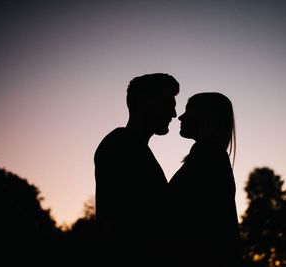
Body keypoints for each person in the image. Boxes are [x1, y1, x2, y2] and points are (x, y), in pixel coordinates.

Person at [94, 73, 180, 267]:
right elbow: (117, 222)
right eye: (168, 104)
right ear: (143, 101)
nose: (174, 114)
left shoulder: (133, 147)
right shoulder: (120, 144)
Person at [169, 92, 241, 267]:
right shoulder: (212, 157)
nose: (180, 116)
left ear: (205, 117)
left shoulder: (207, 158)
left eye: (188, 111)